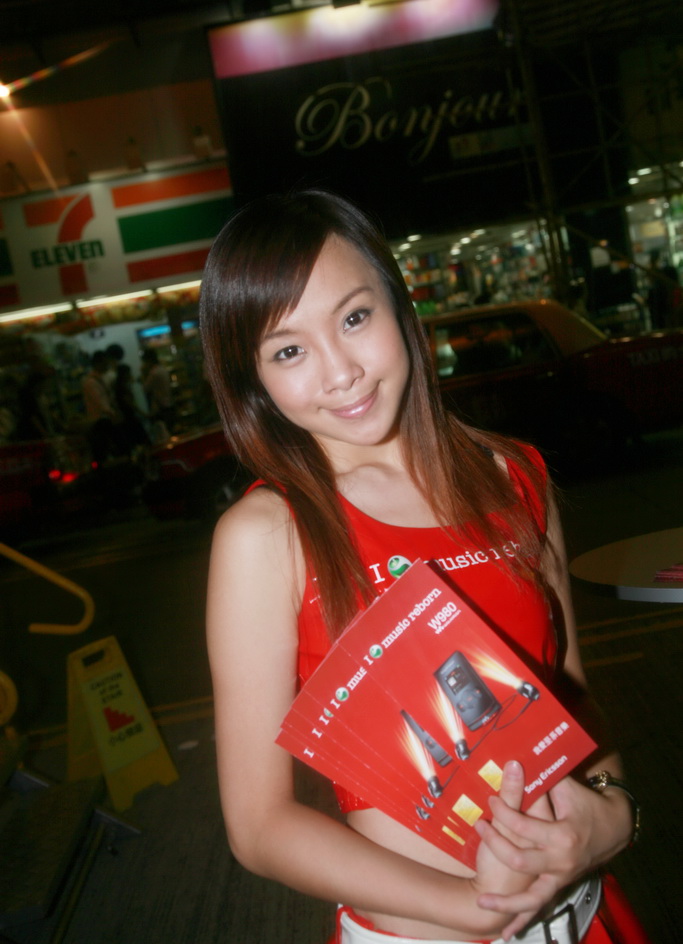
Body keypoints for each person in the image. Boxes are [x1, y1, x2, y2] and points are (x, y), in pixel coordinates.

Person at [200, 190, 648, 944]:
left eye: (353, 318)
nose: (340, 372)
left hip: (583, 917)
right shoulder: (267, 536)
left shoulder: (515, 477)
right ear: (254, 381)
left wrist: (610, 813)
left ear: (399, 306)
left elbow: (571, 693)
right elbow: (259, 824)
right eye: (288, 351)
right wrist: (473, 907)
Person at [81, 350, 120, 463]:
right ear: (98, 364)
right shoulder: (91, 382)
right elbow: (101, 403)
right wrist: (113, 414)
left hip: (105, 420)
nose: (107, 365)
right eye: (105, 363)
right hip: (100, 422)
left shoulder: (98, 379)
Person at [141, 347, 176, 434]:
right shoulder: (162, 369)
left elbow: (145, 388)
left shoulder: (153, 373)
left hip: (161, 407)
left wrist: (143, 374)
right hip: (168, 403)